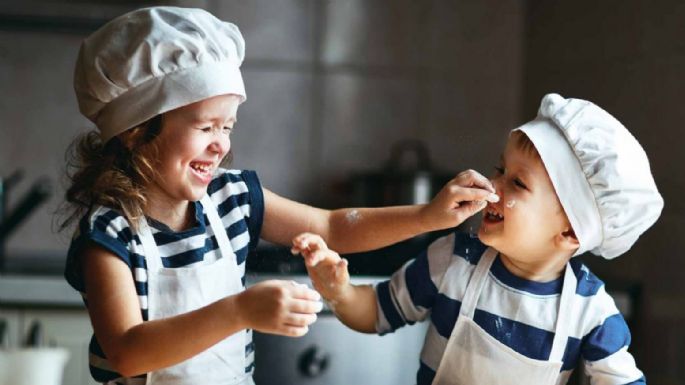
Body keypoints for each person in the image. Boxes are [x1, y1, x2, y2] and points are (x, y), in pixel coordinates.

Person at [59, 6, 501, 385]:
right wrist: (239, 311)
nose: (221, 145)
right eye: (205, 126)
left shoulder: (233, 198)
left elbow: (332, 226)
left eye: (228, 126)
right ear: (137, 131)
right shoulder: (110, 232)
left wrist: (427, 216)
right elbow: (126, 351)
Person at [293, 93, 664, 385]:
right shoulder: (453, 260)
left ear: (569, 231)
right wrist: (339, 291)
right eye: (499, 169)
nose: (492, 186)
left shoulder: (592, 312)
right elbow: (376, 312)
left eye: (517, 182)